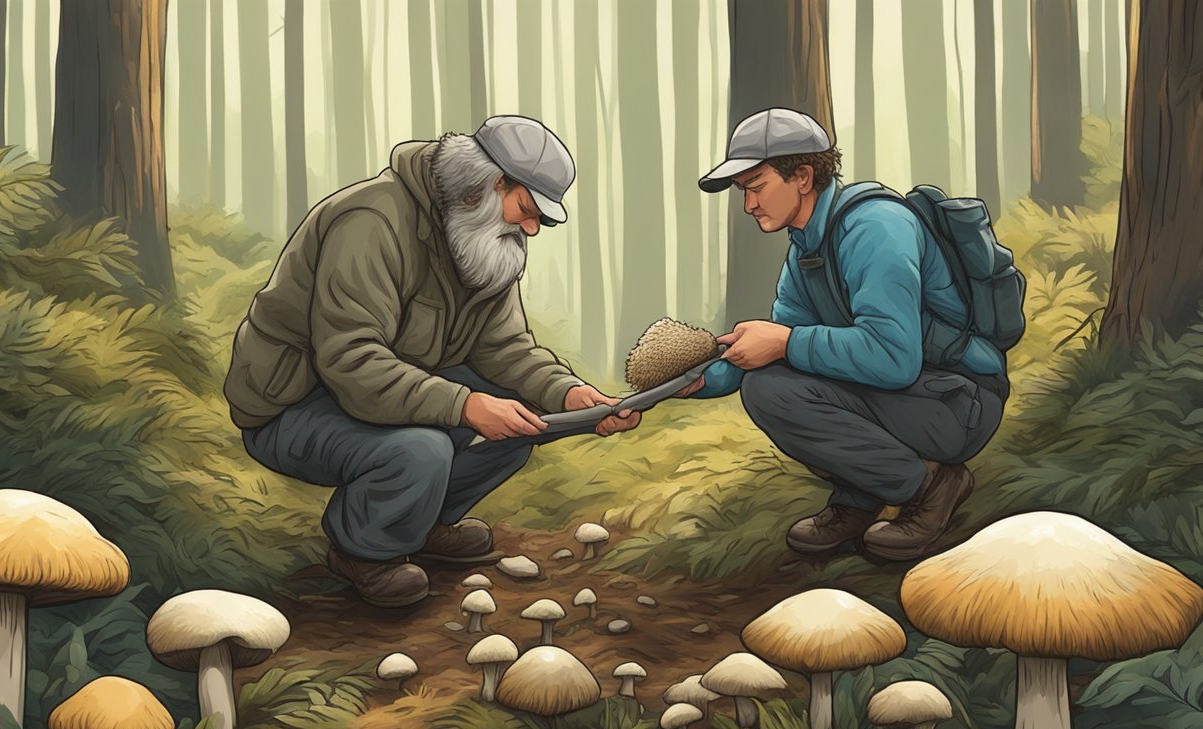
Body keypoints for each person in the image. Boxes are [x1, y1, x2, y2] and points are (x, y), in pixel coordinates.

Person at [224, 116, 640, 607]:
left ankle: (424, 526)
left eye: (540, 220)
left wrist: (571, 394)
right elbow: (351, 361)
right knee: (421, 450)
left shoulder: (488, 239)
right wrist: (466, 406)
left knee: (527, 419)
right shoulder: (371, 221)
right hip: (294, 403)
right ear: (489, 183)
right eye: (527, 209)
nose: (531, 228)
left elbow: (506, 349)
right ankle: (363, 550)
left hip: (392, 387)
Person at [680, 107, 1010, 561]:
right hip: (910, 395)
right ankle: (860, 497)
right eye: (743, 192)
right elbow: (784, 338)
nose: (749, 205)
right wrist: (700, 381)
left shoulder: (875, 227)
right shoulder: (807, 248)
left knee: (773, 391)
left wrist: (785, 343)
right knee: (771, 382)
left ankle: (931, 486)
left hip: (958, 401)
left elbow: (894, 359)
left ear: (801, 176)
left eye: (756, 187)